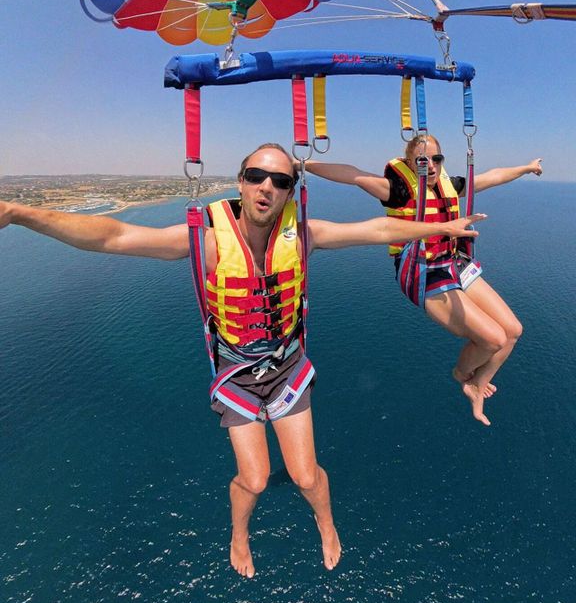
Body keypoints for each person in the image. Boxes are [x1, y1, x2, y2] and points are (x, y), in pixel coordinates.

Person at [0, 143, 484, 578]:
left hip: (287, 365)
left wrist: (441, 225)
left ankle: (326, 521)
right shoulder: (207, 241)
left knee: (306, 475)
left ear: (290, 192)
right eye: (257, 176)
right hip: (236, 372)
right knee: (253, 479)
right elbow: (113, 236)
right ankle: (239, 533)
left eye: (281, 180)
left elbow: (377, 227)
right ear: (240, 181)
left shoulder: (304, 235)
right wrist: (20, 213)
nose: (267, 187)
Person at [306, 138, 542, 428]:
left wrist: (527, 168)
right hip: (422, 270)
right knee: (493, 339)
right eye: (421, 161)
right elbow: (353, 174)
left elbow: (491, 177)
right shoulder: (398, 190)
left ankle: (477, 384)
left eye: (436, 159)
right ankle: (461, 375)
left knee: (513, 331)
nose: (430, 166)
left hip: (453, 262)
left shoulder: (450, 186)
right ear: (409, 162)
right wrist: (303, 164)